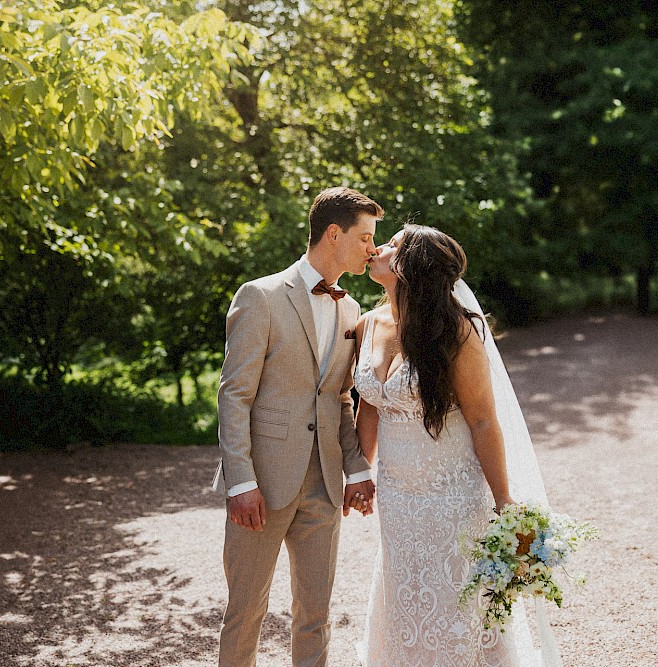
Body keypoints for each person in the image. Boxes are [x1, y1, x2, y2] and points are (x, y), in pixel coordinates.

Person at [354, 224, 562, 666]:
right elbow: (370, 405)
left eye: (390, 244)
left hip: (453, 497)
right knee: (403, 596)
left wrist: (504, 498)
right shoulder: (367, 324)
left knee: (457, 607)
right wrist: (356, 473)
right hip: (396, 496)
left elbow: (484, 420)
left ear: (411, 266)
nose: (377, 247)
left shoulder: (457, 333)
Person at [214, 186, 383, 667]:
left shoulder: (351, 310)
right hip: (261, 485)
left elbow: (340, 398)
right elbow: (234, 394)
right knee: (245, 612)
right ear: (335, 233)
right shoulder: (260, 296)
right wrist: (240, 480)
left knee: (316, 615)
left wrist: (356, 469)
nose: (373, 248)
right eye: (366, 237)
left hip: (325, 484)